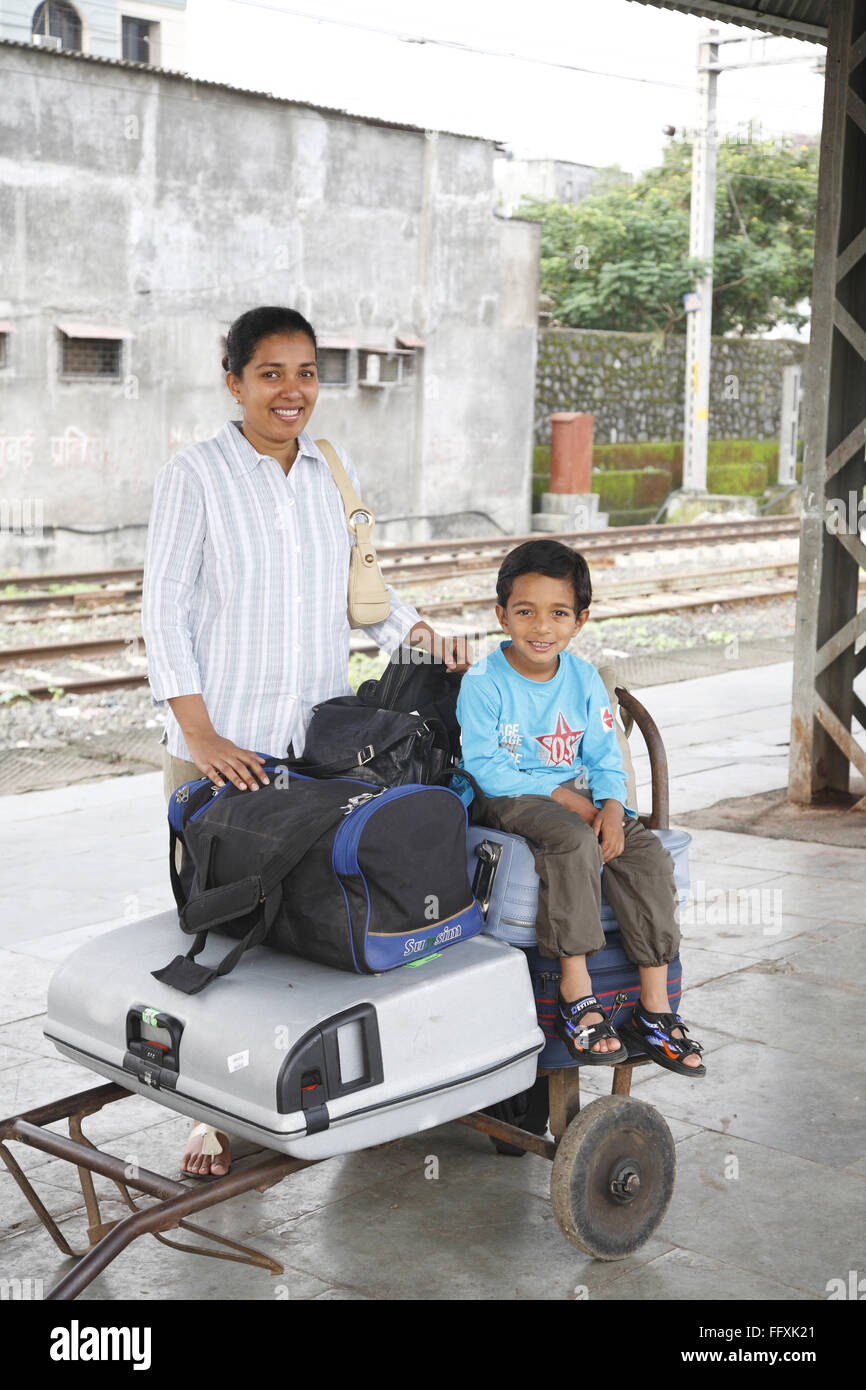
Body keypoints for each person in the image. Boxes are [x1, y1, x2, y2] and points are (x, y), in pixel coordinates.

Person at [141, 304, 467, 1176]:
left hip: (313, 746)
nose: (293, 392)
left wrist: (429, 640)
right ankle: (210, 1114)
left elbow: (362, 586)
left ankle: (290, 1087)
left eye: (308, 374)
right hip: (227, 746)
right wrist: (200, 733)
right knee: (220, 933)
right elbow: (163, 609)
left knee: (297, 928)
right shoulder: (197, 474)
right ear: (235, 382)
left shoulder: (332, 468)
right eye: (272, 374)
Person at [456, 538, 705, 1075]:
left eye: (558, 613)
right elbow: (484, 764)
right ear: (502, 616)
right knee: (571, 839)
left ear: (580, 620)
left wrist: (613, 806)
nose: (540, 627)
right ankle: (576, 992)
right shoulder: (483, 682)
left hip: (581, 795)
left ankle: (655, 1008)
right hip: (510, 796)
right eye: (525, 612)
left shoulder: (585, 678)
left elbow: (604, 755)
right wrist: (570, 800)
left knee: (645, 855)